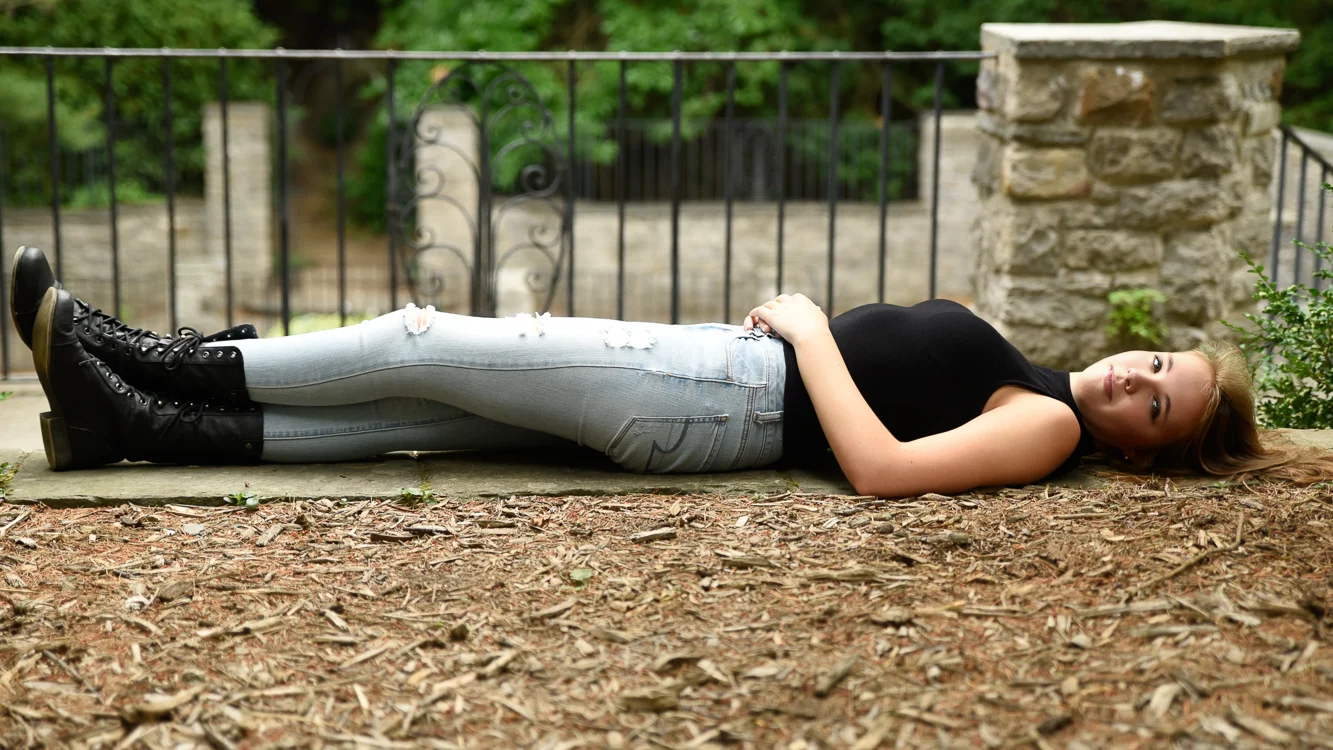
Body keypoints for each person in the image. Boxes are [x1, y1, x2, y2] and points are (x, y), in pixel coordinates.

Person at [10, 246, 1332, 496]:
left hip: (722, 397)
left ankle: (123, 353)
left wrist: (809, 328)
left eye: (1156, 405)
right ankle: (135, 426)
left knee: (420, 340)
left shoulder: (1045, 427)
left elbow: (882, 471)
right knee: (409, 415)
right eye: (1155, 363)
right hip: (713, 389)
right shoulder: (1039, 380)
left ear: (1145, 449)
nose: (1131, 382)